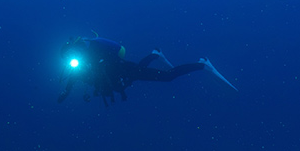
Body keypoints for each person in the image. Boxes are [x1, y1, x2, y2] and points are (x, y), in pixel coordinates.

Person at [58, 35, 236, 104]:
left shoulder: (92, 53)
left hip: (124, 72)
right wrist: (65, 93)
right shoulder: (79, 67)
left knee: (168, 77)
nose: (72, 60)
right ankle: (155, 53)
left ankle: (203, 64)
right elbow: (73, 78)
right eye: (68, 58)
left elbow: (110, 61)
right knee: (140, 69)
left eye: (72, 55)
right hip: (123, 78)